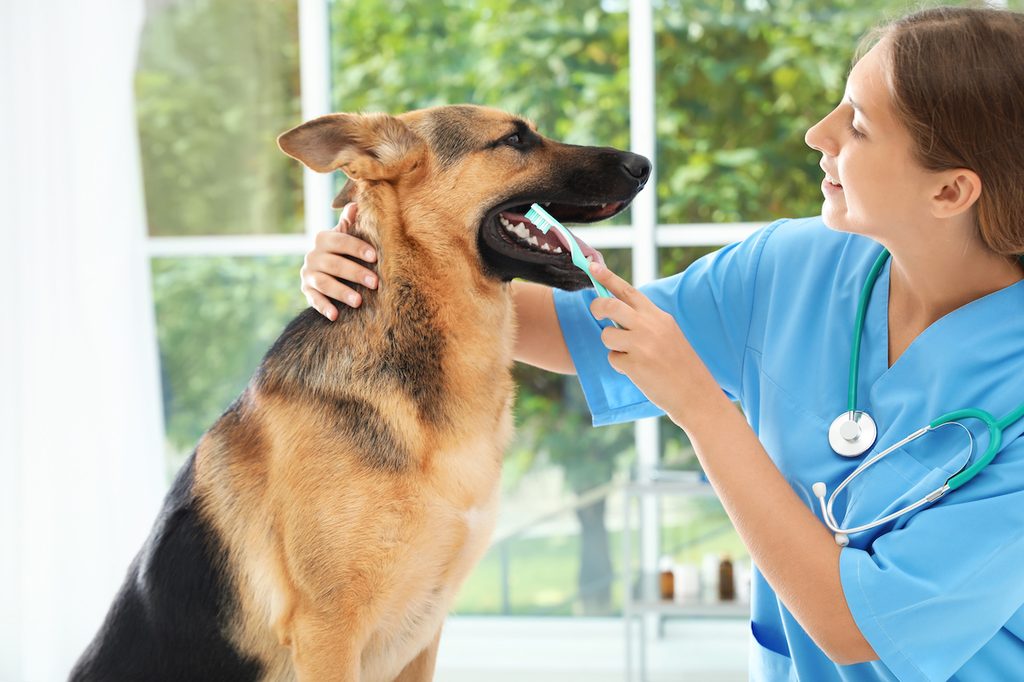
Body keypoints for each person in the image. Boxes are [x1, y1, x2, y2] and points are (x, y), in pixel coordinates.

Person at [298, 6, 1024, 680]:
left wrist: (702, 409)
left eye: (859, 124)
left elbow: (853, 624)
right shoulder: (795, 268)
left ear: (951, 192)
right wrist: (382, 265)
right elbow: (579, 330)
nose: (818, 133)